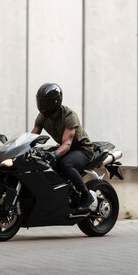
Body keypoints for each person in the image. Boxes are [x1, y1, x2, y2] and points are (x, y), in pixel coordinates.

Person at [31, 83, 94, 212]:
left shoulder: (69, 115)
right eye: (40, 102)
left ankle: (86, 195)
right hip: (65, 148)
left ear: (55, 102)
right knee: (40, 159)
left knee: (66, 164)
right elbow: (32, 136)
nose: (42, 107)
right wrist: (21, 146)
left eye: (46, 103)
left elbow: (67, 143)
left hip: (82, 149)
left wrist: (55, 155)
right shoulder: (42, 117)